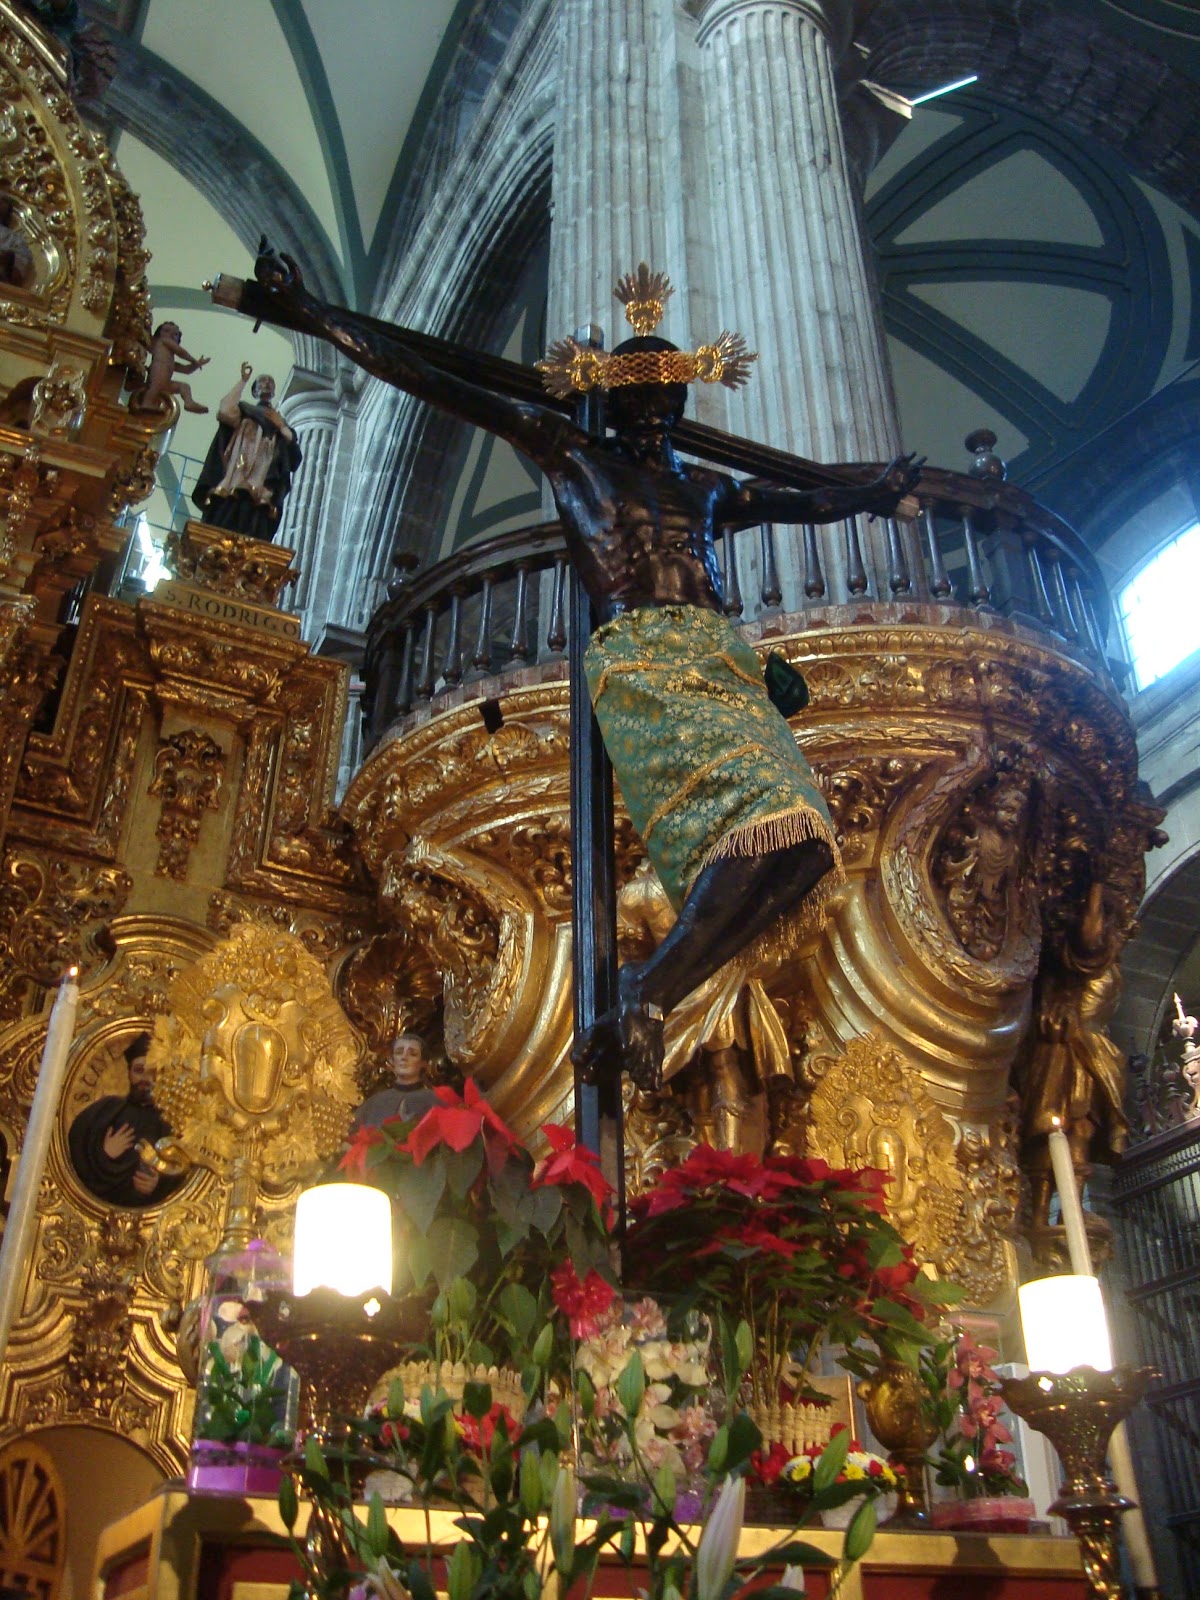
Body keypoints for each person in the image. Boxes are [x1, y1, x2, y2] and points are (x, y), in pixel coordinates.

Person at [212, 248, 920, 1089]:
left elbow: (806, 502)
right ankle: (647, 993)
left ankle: (651, 990)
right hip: (644, 657)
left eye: (669, 396)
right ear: (616, 403)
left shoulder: (707, 490)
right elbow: (436, 381)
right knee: (756, 824)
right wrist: (315, 315)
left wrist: (875, 490)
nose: (656, 410)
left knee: (805, 844)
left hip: (720, 656)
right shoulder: (576, 458)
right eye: (642, 396)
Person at [68, 1032, 182, 1207]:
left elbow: (180, 1170)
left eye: (152, 1072)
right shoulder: (105, 1110)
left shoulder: (169, 1122)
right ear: (128, 1072)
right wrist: (104, 1154)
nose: (145, 1079)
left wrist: (157, 1186)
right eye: (138, 1071)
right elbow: (77, 1147)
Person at [192, 362, 302, 541]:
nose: (266, 384)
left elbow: (294, 456)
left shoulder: (279, 422)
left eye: (270, 383)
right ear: (254, 391)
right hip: (239, 468)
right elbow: (226, 410)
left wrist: (281, 425)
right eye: (261, 382)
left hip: (262, 474)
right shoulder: (245, 411)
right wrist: (243, 380)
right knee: (231, 504)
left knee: (255, 512)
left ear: (274, 391)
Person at [350, 1033, 438, 1132]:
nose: (404, 1058)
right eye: (399, 1052)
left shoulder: (433, 1101)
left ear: (423, 1063)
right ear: (392, 1061)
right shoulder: (374, 1103)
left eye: (413, 1054)